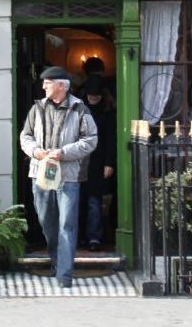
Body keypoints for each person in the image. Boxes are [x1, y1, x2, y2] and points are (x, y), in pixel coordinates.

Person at [19, 66, 98, 288]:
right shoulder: (37, 108)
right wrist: (36, 151)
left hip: (68, 176)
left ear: (61, 86)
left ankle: (65, 274)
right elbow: (25, 136)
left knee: (67, 224)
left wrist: (63, 152)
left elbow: (91, 140)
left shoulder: (79, 109)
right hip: (41, 173)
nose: (43, 85)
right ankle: (56, 260)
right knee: (47, 222)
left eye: (48, 82)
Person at [80, 75, 115, 252]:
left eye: (97, 95)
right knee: (77, 200)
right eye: (91, 95)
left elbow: (110, 139)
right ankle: (80, 237)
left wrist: (109, 163)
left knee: (94, 201)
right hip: (79, 161)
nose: (93, 98)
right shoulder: (78, 109)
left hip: (98, 161)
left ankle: (94, 237)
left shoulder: (107, 113)